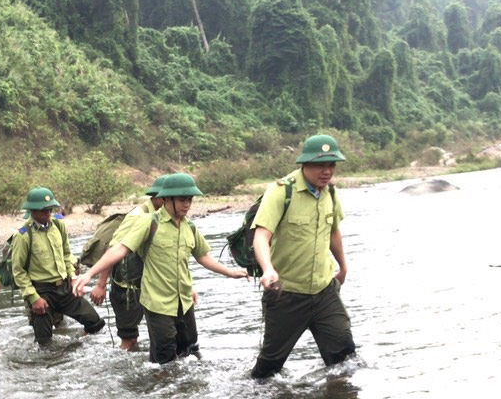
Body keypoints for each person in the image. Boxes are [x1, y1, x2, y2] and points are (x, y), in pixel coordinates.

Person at [74, 173, 247, 364]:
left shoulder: (190, 226)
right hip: (158, 302)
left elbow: (203, 257)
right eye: (182, 200)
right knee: (164, 355)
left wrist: (231, 273)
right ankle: (159, 389)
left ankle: (181, 390)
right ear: (166, 199)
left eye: (189, 199)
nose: (187, 204)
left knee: (189, 348)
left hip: (183, 301)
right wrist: (91, 275)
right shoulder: (149, 222)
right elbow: (120, 249)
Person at [248, 134, 356, 379]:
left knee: (345, 358)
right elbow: (261, 236)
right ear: (304, 164)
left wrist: (343, 267)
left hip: (324, 291)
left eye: (331, 165)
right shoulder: (280, 192)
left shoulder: (331, 193)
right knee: (269, 370)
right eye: (320, 165)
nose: (327, 171)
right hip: (286, 293)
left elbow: (333, 232)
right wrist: (268, 269)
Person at [9, 187, 105, 344]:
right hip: (41, 292)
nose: (48, 213)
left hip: (65, 288)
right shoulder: (22, 235)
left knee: (95, 323)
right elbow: (18, 272)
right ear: (32, 210)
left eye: (50, 209)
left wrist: (73, 279)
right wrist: (34, 299)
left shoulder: (59, 227)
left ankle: (77, 347)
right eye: (44, 210)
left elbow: (67, 255)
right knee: (44, 343)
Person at [93, 174, 168, 351]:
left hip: (149, 286)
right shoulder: (138, 216)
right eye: (168, 198)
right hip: (127, 290)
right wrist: (101, 284)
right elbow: (112, 248)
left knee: (162, 336)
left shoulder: (164, 217)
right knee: (129, 340)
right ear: (156, 197)